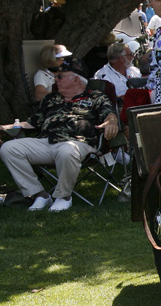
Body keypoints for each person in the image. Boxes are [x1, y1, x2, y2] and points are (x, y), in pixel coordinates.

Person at [0, 57, 118, 212]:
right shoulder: (50, 99)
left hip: (78, 143)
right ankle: (39, 195)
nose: (55, 79)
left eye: (60, 76)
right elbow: (31, 123)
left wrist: (111, 122)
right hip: (46, 142)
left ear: (76, 79)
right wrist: (4, 127)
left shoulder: (96, 97)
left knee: (67, 150)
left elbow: (110, 115)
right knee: (9, 148)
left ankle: (63, 197)